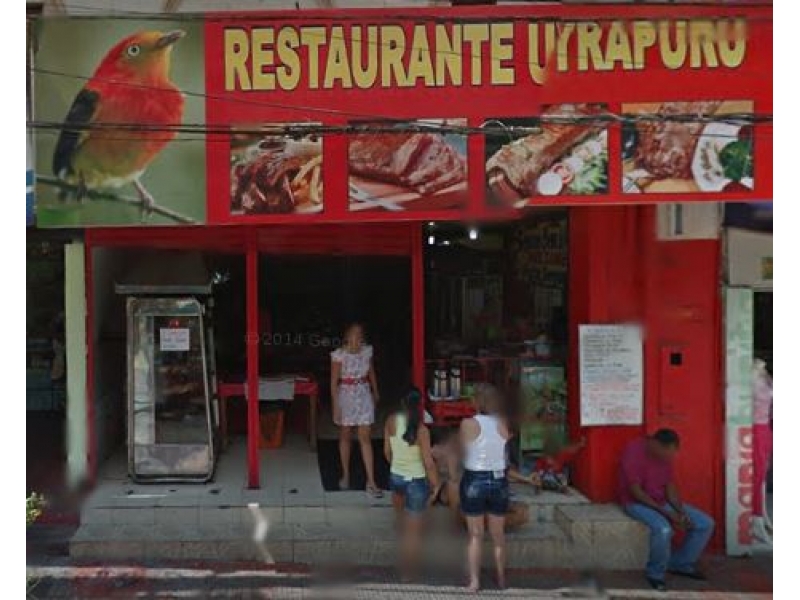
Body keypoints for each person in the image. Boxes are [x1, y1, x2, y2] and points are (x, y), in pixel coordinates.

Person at [618, 429, 715, 592]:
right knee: (663, 529)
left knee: (705, 523)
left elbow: (669, 486)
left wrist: (680, 511)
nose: (668, 459)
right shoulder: (633, 452)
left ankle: (680, 564)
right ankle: (655, 574)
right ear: (656, 445)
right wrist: (667, 514)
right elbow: (636, 492)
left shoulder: (664, 454)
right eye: (667, 454)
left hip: (661, 502)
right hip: (636, 503)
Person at [459, 383, 511, 592]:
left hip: (475, 479)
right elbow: (506, 443)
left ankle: (475, 581)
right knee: (498, 535)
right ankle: (501, 579)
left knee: (475, 535)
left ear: (476, 402)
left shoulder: (468, 424)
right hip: (499, 480)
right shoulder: (502, 423)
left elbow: (462, 449)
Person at [383, 388, 439, 580]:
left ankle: (404, 564)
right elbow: (428, 462)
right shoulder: (422, 430)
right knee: (413, 533)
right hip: (415, 481)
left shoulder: (391, 421)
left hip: (396, 477)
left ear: (402, 403)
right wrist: (436, 484)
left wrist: (397, 466)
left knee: (401, 523)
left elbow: (387, 453)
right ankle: (409, 571)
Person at [330, 323, 382, 498]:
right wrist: (335, 406)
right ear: (347, 336)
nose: (357, 337)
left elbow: (371, 372)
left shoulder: (367, 351)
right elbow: (333, 383)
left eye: (360, 334)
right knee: (345, 435)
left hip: (363, 392)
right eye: (353, 334)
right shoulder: (339, 355)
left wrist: (375, 391)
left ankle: (371, 480)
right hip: (346, 395)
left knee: (365, 438)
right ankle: (345, 474)